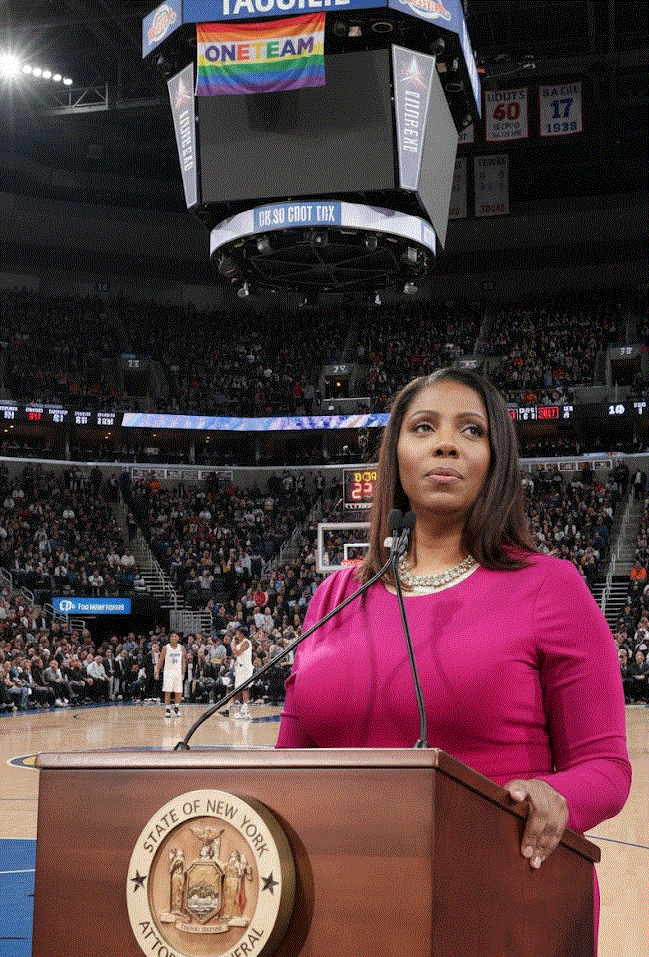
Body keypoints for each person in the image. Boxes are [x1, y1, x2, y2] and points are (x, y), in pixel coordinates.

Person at [276, 368, 631, 956]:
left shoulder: (551, 586)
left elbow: (605, 768)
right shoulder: (333, 594)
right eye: (423, 428)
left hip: (504, 897)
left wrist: (556, 797)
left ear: (496, 459)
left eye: (471, 430)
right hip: (347, 897)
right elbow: (290, 763)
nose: (446, 443)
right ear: (396, 457)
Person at [154, 632, 186, 718]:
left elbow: (183, 661)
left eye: (175, 636)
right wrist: (157, 672)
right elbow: (160, 661)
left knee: (178, 691)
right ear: (169, 638)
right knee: (167, 690)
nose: (173, 638)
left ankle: (176, 707)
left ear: (178, 638)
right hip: (168, 672)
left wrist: (183, 672)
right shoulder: (166, 648)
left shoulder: (181, 648)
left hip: (178, 672)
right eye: (172, 637)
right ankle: (167, 709)